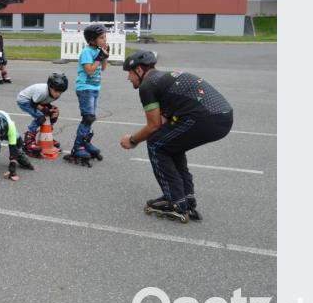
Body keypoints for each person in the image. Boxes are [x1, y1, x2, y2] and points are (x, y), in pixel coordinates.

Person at [120, 50, 233, 223]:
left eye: (129, 72)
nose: (128, 78)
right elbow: (162, 121)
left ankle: (174, 201)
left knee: (156, 144)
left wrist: (132, 140)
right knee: (170, 144)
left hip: (206, 118)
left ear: (139, 70)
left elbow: (153, 125)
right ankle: (186, 199)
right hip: (223, 116)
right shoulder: (163, 79)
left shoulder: (147, 85)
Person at [65, 24, 109, 167]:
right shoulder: (86, 52)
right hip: (85, 88)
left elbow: (103, 68)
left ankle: (86, 143)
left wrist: (105, 56)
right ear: (92, 40)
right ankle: (78, 146)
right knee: (88, 117)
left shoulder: (97, 51)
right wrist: (98, 58)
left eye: (105, 37)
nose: (105, 39)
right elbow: (89, 70)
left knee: (91, 118)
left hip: (95, 88)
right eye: (101, 37)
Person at [16, 73, 68, 156]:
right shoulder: (42, 92)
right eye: (56, 91)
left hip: (37, 100)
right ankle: (28, 140)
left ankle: (47, 137)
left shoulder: (54, 92)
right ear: (50, 87)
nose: (58, 94)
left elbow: (45, 101)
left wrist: (52, 109)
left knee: (54, 113)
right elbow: (33, 103)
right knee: (41, 117)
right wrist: (45, 109)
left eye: (60, 92)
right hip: (25, 100)